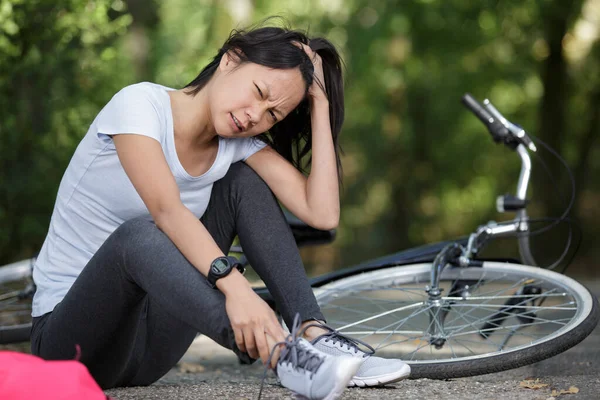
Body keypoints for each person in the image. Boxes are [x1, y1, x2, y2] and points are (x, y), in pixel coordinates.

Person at [29, 21, 410, 399]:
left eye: (272, 115)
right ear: (231, 59)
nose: (254, 116)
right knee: (138, 235)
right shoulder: (139, 106)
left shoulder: (235, 146)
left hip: (150, 348)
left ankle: (315, 336)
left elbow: (322, 213)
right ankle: (281, 353)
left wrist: (320, 103)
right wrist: (237, 289)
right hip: (72, 345)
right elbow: (167, 211)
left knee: (240, 181)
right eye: (259, 92)